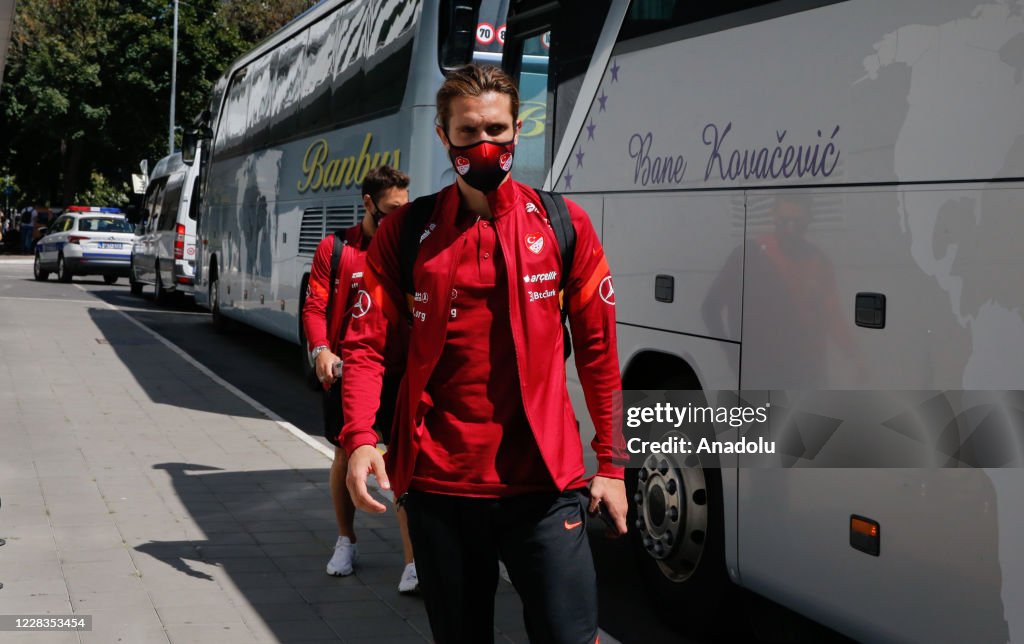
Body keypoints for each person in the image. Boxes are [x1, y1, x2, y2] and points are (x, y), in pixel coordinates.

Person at [341, 63, 628, 643]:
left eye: (497, 130)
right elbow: (367, 345)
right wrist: (359, 438)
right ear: (444, 137)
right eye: (469, 133)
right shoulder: (406, 231)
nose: (485, 144)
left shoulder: (563, 225)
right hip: (439, 490)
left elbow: (598, 351)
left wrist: (614, 466)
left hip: (546, 487)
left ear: (517, 130)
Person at [301, 165, 419, 593]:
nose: (399, 218)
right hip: (348, 373)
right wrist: (321, 350)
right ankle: (345, 540)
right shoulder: (336, 249)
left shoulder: (410, 247)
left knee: (402, 460)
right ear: (368, 204)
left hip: (400, 373)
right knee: (343, 455)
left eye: (405, 209)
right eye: (391, 209)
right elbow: (314, 307)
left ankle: (412, 563)